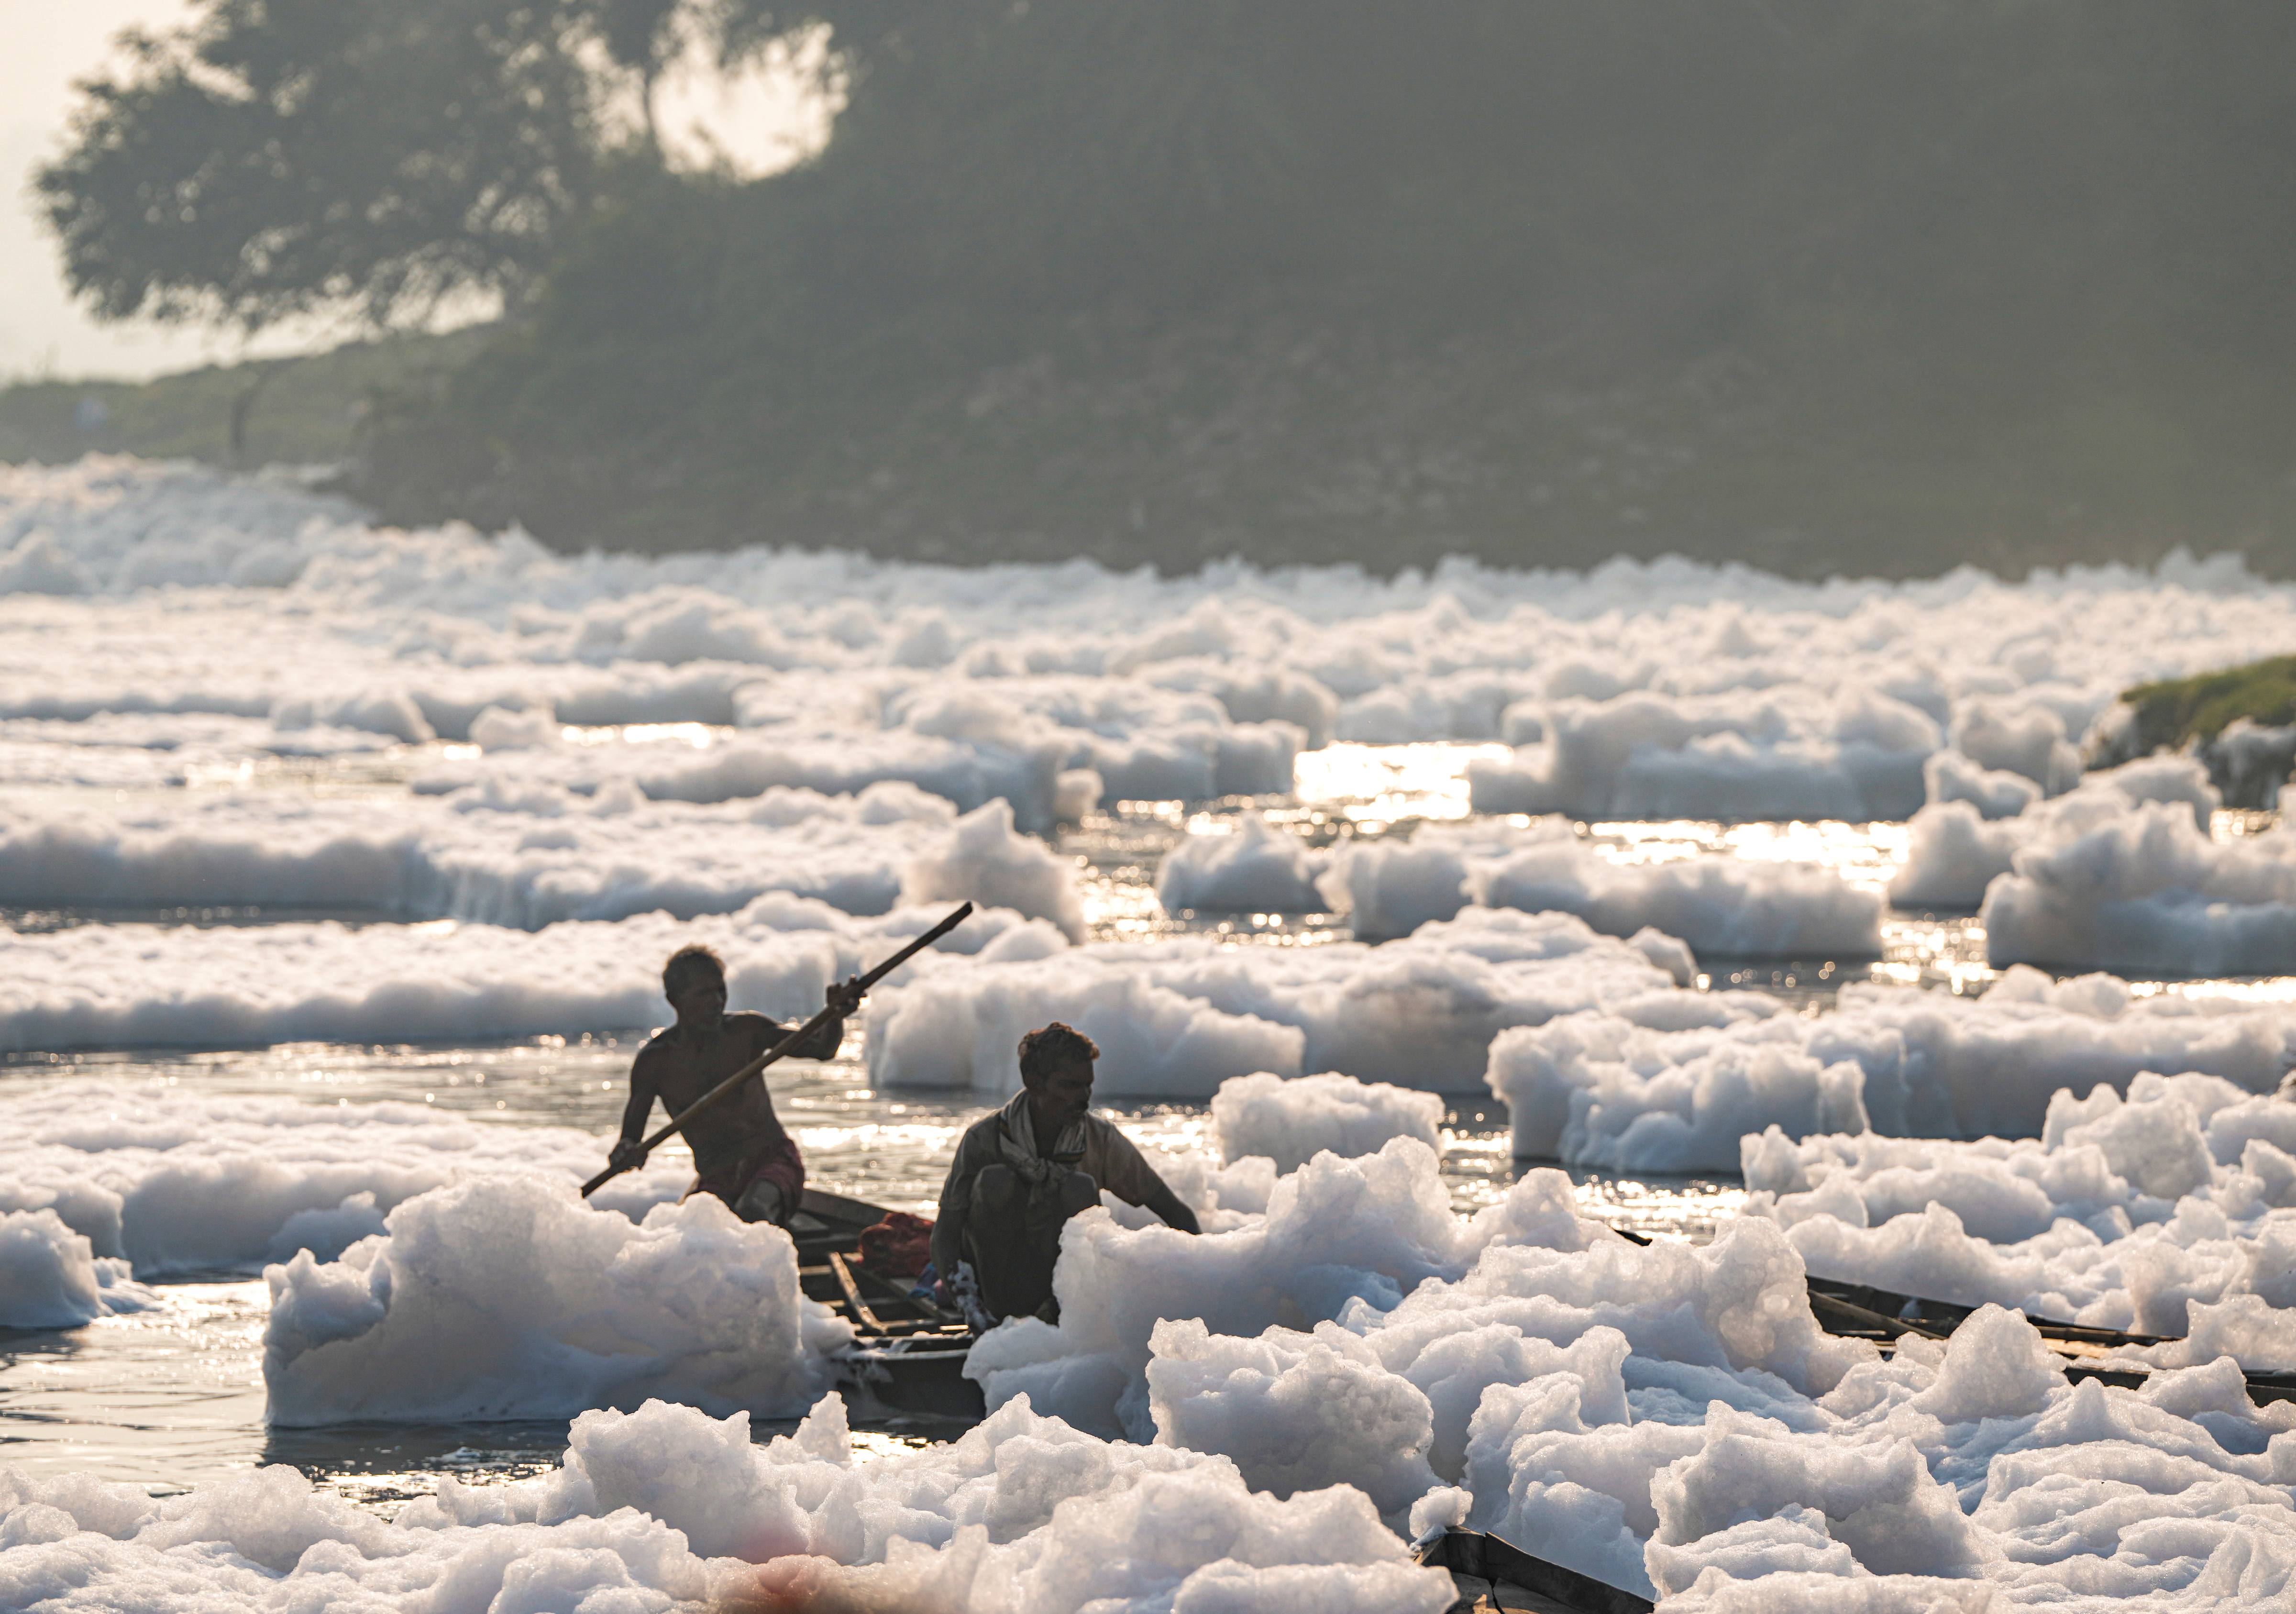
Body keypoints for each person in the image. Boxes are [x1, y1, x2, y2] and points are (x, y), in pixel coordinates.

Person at [930, 1022, 1199, 1326]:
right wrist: (968, 1304)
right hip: (994, 1289)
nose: (1085, 1097)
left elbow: (1178, 1214)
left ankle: (1062, 1316)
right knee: (997, 1182)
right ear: (1033, 1083)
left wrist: (1202, 1288)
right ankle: (997, 1315)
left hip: (1061, 1301)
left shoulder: (1100, 1140)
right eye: (1071, 1086)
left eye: (1088, 1085)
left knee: (1078, 1188)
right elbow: (945, 1234)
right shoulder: (984, 1140)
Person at [610, 945, 861, 1226]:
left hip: (773, 1162)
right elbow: (630, 1138)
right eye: (704, 994)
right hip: (717, 1176)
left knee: (753, 1212)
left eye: (721, 990)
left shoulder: (747, 1031)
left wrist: (836, 1016)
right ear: (675, 1000)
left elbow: (822, 1048)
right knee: (690, 1236)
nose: (717, 1001)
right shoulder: (654, 1063)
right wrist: (626, 1153)